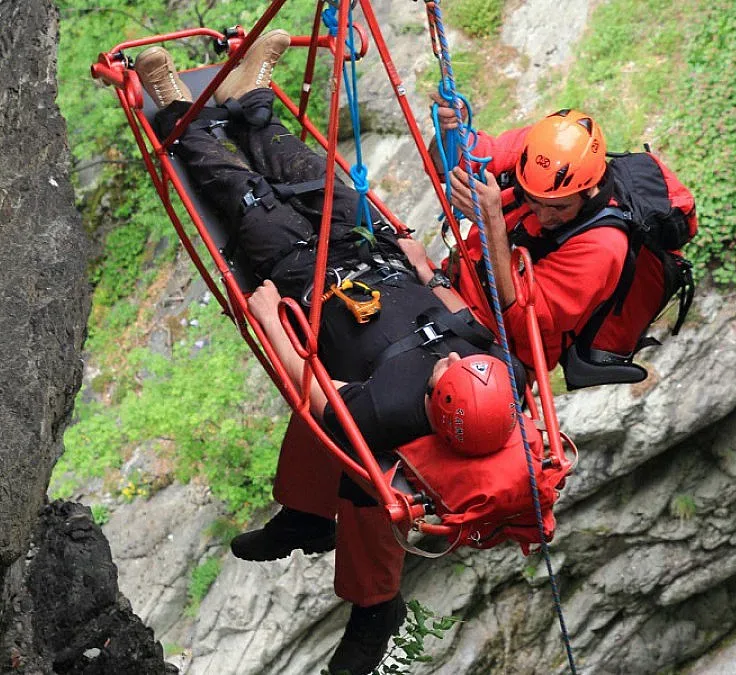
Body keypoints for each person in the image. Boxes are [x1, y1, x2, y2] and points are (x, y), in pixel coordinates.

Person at [133, 31, 525, 675]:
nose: (453, 358)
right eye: (465, 362)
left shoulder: (386, 410)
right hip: (371, 249)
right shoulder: (501, 373)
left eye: (449, 371)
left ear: (437, 399)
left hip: (305, 274)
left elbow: (314, 393)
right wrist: (427, 272)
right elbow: (467, 318)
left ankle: (176, 106)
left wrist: (271, 322)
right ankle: (253, 98)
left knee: (242, 191)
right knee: (311, 174)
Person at [429, 97, 696, 384]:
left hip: (497, 348)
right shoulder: (537, 156)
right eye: (534, 200)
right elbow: (449, 163)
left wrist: (492, 224)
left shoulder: (602, 247)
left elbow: (523, 322)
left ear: (589, 190)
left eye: (559, 207)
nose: (544, 216)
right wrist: (448, 133)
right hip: (450, 289)